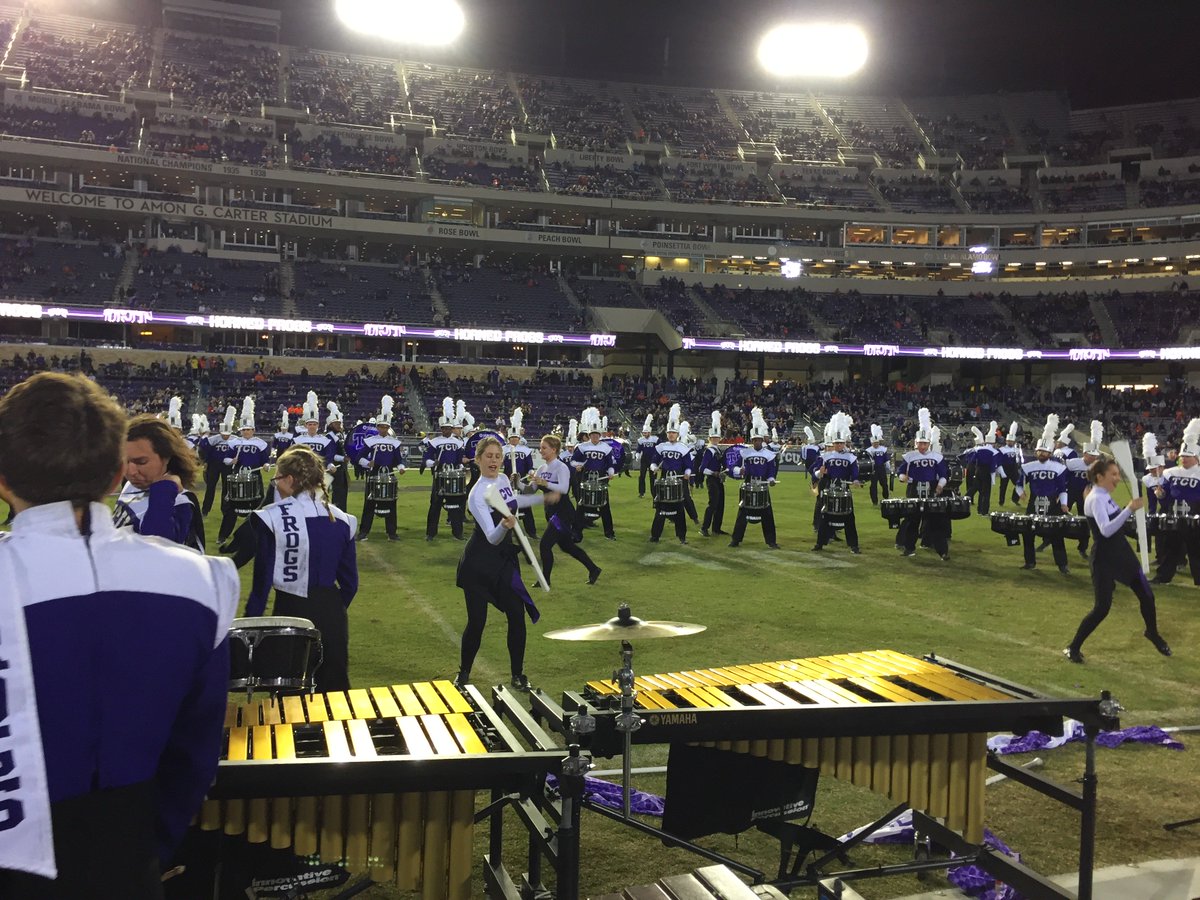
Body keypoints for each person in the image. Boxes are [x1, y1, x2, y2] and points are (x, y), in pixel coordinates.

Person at [0, 372, 237, 898]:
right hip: (130, 853)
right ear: (114, 474)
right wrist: (145, 845)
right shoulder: (203, 580)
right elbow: (194, 754)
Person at [231, 445, 359, 692]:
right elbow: (350, 583)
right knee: (334, 690)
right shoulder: (343, 519)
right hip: (332, 611)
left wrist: (249, 630)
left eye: (277, 478)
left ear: (289, 480)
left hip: (291, 610)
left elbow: (261, 587)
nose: (275, 484)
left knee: (289, 692)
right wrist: (331, 608)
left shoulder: (272, 517)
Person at [455, 436, 559, 692]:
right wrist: (504, 525)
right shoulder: (476, 495)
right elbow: (491, 537)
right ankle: (464, 672)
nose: (493, 460)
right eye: (488, 456)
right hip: (479, 564)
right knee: (477, 621)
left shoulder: (502, 480)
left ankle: (517, 674)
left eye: (497, 456)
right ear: (478, 460)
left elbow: (514, 502)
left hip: (503, 562)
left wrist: (541, 499)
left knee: (517, 614)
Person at [1064, 456, 1171, 663]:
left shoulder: (1105, 495)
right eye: (1113, 474)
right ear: (1099, 476)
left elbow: (1117, 523)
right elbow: (1105, 531)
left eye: (1117, 473)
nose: (1117, 478)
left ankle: (1152, 632)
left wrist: (1132, 516)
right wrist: (1129, 509)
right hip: (1104, 558)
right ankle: (1073, 647)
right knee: (1102, 608)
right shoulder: (1095, 498)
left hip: (1122, 553)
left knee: (1147, 595)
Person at [114, 414, 205, 551]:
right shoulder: (132, 485)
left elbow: (157, 551)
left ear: (166, 457)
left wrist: (164, 491)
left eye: (141, 462)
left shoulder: (180, 503)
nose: (131, 471)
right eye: (125, 461)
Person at [532, 433, 600, 586]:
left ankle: (545, 580)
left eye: (544, 447)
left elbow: (563, 489)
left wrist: (545, 482)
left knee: (545, 545)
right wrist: (517, 483)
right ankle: (594, 569)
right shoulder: (541, 468)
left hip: (562, 513)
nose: (540, 450)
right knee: (567, 547)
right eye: (540, 447)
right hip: (550, 512)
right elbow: (531, 489)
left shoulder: (561, 467)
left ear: (554, 449)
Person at [1014, 414, 1071, 574]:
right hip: (1033, 502)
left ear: (1050, 452)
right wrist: (1020, 492)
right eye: (1040, 451)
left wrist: (1064, 504)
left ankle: (1062, 565)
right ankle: (1030, 562)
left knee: (1056, 536)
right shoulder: (1028, 466)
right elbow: (1019, 483)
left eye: (1045, 452)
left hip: (1053, 504)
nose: (1042, 454)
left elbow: (1062, 489)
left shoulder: (1059, 468)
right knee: (1028, 533)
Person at [896, 408, 950, 560]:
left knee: (934, 521)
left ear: (929, 444)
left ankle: (942, 551)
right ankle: (909, 548)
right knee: (912, 521)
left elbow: (943, 475)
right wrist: (903, 478)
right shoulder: (909, 456)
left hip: (932, 489)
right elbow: (900, 472)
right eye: (920, 443)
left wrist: (940, 485)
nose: (922, 446)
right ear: (916, 443)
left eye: (925, 444)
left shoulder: (937, 457)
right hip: (914, 489)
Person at [1152, 418, 1200, 586]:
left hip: (1195, 517)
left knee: (1196, 550)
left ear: (1196, 457)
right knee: (1170, 548)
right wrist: (1160, 494)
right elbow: (1165, 496)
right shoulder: (1170, 472)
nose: (1184, 459)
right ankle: (1163, 577)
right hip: (1174, 515)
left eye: (1187, 456)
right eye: (1182, 456)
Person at [217, 397, 269, 545]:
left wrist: (265, 466)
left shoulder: (261, 444)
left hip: (254, 476)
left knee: (259, 507)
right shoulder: (234, 442)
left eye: (248, 430)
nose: (246, 432)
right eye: (244, 430)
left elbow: (265, 461)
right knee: (231, 508)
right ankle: (223, 536)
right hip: (237, 477)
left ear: (253, 430)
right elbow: (225, 459)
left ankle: (258, 536)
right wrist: (231, 461)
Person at [728, 408, 779, 549]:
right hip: (748, 485)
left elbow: (771, 470)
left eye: (759, 440)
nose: (757, 442)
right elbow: (733, 467)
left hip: (762, 486)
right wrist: (740, 470)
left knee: (767, 514)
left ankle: (771, 541)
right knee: (742, 513)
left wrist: (771, 479)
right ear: (752, 440)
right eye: (755, 440)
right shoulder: (745, 452)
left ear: (762, 440)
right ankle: (735, 540)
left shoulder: (769, 454)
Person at [813, 412, 861, 554]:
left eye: (841, 443)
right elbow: (817, 472)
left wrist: (856, 480)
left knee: (849, 517)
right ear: (833, 443)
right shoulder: (826, 456)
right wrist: (820, 473)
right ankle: (820, 543)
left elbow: (854, 472)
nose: (839, 445)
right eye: (836, 443)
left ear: (844, 443)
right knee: (825, 516)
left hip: (844, 489)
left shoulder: (851, 457)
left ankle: (854, 545)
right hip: (829, 488)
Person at [358, 398, 405, 541]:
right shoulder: (371, 440)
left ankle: (392, 532)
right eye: (381, 427)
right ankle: (363, 532)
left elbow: (398, 459)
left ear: (388, 428)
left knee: (391, 502)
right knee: (370, 503)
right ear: (377, 427)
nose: (383, 429)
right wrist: (367, 463)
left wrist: (401, 467)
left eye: (385, 427)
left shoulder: (394, 442)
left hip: (389, 473)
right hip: (374, 473)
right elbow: (359, 457)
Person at [571, 407, 617, 540]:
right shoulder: (582, 447)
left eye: (597, 435)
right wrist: (577, 466)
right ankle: (576, 533)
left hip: (601, 480)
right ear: (589, 435)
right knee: (581, 506)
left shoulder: (606, 448)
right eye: (593, 435)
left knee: (604, 507)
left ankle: (609, 533)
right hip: (585, 479)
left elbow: (610, 464)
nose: (595, 437)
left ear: (600, 435)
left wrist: (611, 472)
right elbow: (573, 461)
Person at [648, 405, 692, 545]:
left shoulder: (683, 448)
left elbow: (688, 465)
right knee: (660, 509)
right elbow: (654, 461)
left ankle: (682, 537)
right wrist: (654, 467)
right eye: (669, 433)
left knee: (679, 510)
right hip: (664, 480)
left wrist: (687, 473)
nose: (671, 435)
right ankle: (655, 536)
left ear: (677, 434)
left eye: (673, 432)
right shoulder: (661, 446)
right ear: (666, 433)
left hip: (678, 481)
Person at [425, 398, 467, 541]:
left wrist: (461, 467)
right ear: (441, 429)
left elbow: (460, 460)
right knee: (435, 505)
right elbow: (426, 459)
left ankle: (458, 533)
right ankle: (431, 533)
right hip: (439, 476)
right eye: (444, 428)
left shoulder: (458, 442)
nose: (447, 430)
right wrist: (433, 462)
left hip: (454, 476)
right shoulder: (434, 442)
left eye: (449, 428)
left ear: (452, 429)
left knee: (455, 505)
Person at [503, 408, 538, 538]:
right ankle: (507, 531)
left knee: (526, 506)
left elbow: (530, 465)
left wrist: (531, 472)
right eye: (511, 438)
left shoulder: (526, 450)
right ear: (508, 438)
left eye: (516, 438)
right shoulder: (503, 450)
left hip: (523, 481)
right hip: (507, 482)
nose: (514, 440)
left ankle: (531, 532)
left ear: (519, 438)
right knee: (507, 507)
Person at [199, 408, 235, 515]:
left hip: (227, 466)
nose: (225, 436)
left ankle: (225, 509)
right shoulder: (214, 439)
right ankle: (205, 510)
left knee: (226, 488)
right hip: (214, 465)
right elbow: (204, 447)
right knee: (210, 487)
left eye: (227, 434)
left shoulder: (234, 439)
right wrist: (206, 462)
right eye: (223, 434)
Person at [699, 411, 727, 537]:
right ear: (709, 438)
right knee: (713, 504)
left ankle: (716, 528)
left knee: (720, 504)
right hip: (711, 480)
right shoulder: (709, 451)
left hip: (718, 480)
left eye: (717, 437)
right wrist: (714, 473)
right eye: (713, 438)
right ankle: (704, 528)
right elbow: (702, 468)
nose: (716, 439)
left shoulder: (717, 449)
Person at [325, 401, 349, 511]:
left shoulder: (338, 435)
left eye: (339, 423)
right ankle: (337, 512)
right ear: (330, 425)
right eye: (336, 424)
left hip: (341, 468)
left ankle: (342, 512)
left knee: (343, 491)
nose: (339, 425)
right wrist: (343, 458)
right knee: (338, 492)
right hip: (334, 468)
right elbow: (331, 455)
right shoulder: (330, 437)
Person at [997, 422, 1023, 506]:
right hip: (1005, 468)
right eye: (1009, 441)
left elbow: (1019, 459)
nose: (1010, 443)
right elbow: (999, 461)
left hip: (1014, 469)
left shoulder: (1017, 449)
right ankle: (1001, 501)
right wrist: (1001, 471)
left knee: (1019, 484)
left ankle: (1015, 499)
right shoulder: (1002, 449)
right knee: (1003, 486)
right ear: (1006, 441)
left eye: (1012, 441)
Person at [865, 424, 891, 505]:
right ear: (872, 443)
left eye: (877, 443)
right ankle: (874, 501)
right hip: (873, 469)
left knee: (884, 484)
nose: (876, 444)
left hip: (881, 468)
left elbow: (886, 460)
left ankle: (886, 498)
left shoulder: (883, 449)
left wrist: (889, 467)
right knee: (873, 486)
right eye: (874, 443)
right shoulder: (868, 450)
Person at [636, 415, 658, 498]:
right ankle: (641, 492)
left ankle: (654, 493)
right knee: (642, 476)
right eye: (643, 433)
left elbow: (659, 449)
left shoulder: (655, 439)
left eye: (646, 432)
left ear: (649, 432)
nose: (644, 434)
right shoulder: (641, 440)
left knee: (653, 478)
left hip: (653, 460)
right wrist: (637, 454)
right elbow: (639, 449)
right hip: (644, 459)